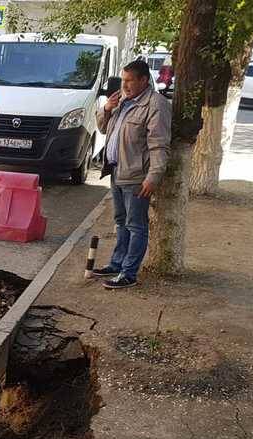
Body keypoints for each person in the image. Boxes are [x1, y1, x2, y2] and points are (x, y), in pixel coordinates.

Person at [92, 59, 172, 290]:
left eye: (129, 81)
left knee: (136, 225)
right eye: (123, 80)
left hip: (137, 176)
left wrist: (153, 177)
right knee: (121, 221)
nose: (124, 85)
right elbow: (104, 128)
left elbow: (159, 145)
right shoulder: (123, 100)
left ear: (144, 80)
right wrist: (106, 108)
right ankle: (117, 263)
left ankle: (129, 273)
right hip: (118, 171)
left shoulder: (155, 104)